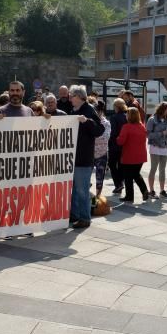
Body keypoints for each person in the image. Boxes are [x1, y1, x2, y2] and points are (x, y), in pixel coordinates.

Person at [69, 85, 104, 229]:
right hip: (74, 157)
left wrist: (87, 121)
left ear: (79, 97)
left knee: (82, 190)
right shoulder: (74, 110)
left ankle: (85, 218)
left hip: (83, 159)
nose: (70, 98)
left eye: (72, 95)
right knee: (75, 190)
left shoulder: (89, 109)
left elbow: (99, 130)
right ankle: (75, 215)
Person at [116, 107, 148, 203]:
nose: (125, 115)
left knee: (128, 177)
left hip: (129, 155)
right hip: (141, 155)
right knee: (136, 174)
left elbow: (120, 142)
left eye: (127, 114)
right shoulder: (142, 126)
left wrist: (117, 138)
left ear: (129, 116)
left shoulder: (126, 127)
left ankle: (130, 196)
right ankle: (144, 190)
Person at [147, 102, 167, 199]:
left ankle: (162, 191)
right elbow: (148, 135)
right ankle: (151, 191)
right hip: (155, 147)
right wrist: (162, 133)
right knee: (153, 169)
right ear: (162, 109)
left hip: (164, 147)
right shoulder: (152, 120)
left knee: (162, 170)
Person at [108, 98, 128, 194]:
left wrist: (110, 142)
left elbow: (113, 132)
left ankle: (118, 184)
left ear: (116, 107)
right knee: (121, 165)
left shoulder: (114, 117)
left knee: (111, 164)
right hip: (125, 145)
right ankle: (120, 183)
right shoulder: (127, 116)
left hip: (115, 144)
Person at [93, 100, 111, 196]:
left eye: (96, 111)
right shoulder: (91, 121)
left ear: (100, 111)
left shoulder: (106, 123)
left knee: (100, 177)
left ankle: (98, 197)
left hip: (102, 153)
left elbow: (106, 137)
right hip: (89, 153)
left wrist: (93, 137)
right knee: (86, 176)